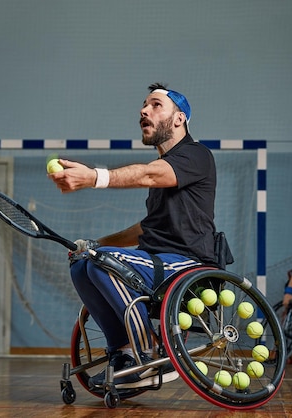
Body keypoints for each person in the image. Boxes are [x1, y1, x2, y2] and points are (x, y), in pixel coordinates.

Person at [49, 83, 218, 388]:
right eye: (143, 106)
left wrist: (92, 177)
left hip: (188, 265)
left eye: (155, 105)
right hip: (156, 261)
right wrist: (96, 244)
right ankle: (123, 352)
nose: (143, 110)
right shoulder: (165, 174)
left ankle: (147, 352)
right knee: (82, 262)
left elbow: (147, 174)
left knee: (100, 261)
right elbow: (146, 228)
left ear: (179, 118)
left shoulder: (196, 155)